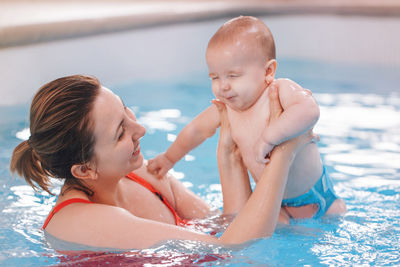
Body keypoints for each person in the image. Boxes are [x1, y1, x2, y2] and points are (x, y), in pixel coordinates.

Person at [10, 75, 314, 250]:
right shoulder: (81, 221)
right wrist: (285, 153)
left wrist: (228, 152)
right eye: (120, 133)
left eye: (126, 110)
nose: (139, 129)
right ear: (85, 169)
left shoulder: (142, 175)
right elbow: (233, 250)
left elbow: (228, 229)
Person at [147, 16, 346, 219]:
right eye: (215, 77)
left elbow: (310, 110)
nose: (223, 86)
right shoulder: (227, 108)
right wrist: (169, 158)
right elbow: (196, 130)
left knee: (335, 219)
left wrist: (270, 137)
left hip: (319, 196)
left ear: (268, 71)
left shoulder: (278, 91)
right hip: (277, 205)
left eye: (233, 76)